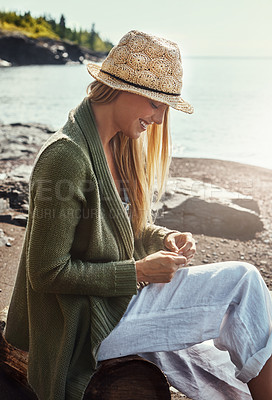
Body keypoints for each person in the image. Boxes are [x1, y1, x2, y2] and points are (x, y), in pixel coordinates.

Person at [4, 30, 272, 400]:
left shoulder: (117, 145)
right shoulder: (65, 157)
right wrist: (140, 271)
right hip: (80, 323)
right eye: (156, 104)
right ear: (123, 88)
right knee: (242, 283)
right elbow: (46, 272)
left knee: (221, 346)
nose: (160, 119)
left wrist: (162, 238)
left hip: (112, 304)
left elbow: (126, 228)